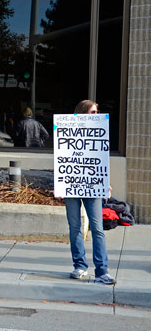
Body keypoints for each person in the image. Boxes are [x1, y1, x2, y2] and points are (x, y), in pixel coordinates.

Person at [64, 99, 115, 285]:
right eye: (93, 112)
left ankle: (102, 271)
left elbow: (101, 159)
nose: (96, 115)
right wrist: (61, 183)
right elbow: (63, 159)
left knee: (97, 229)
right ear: (84, 113)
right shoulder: (68, 130)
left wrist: (105, 184)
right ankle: (80, 266)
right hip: (72, 185)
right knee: (75, 227)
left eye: (97, 112)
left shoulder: (99, 132)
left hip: (92, 186)